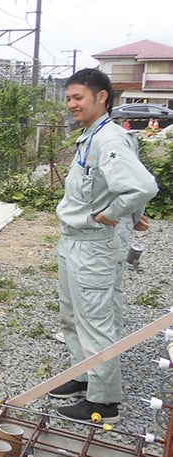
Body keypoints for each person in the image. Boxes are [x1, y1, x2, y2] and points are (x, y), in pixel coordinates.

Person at [48, 68, 157, 424]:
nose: (72, 104)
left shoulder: (108, 139)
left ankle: (103, 402)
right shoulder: (92, 136)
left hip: (94, 244)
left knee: (96, 320)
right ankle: (83, 375)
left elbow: (140, 185)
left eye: (78, 97)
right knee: (73, 316)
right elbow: (122, 184)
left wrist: (115, 214)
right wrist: (131, 214)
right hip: (75, 240)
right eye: (69, 98)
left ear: (101, 97)